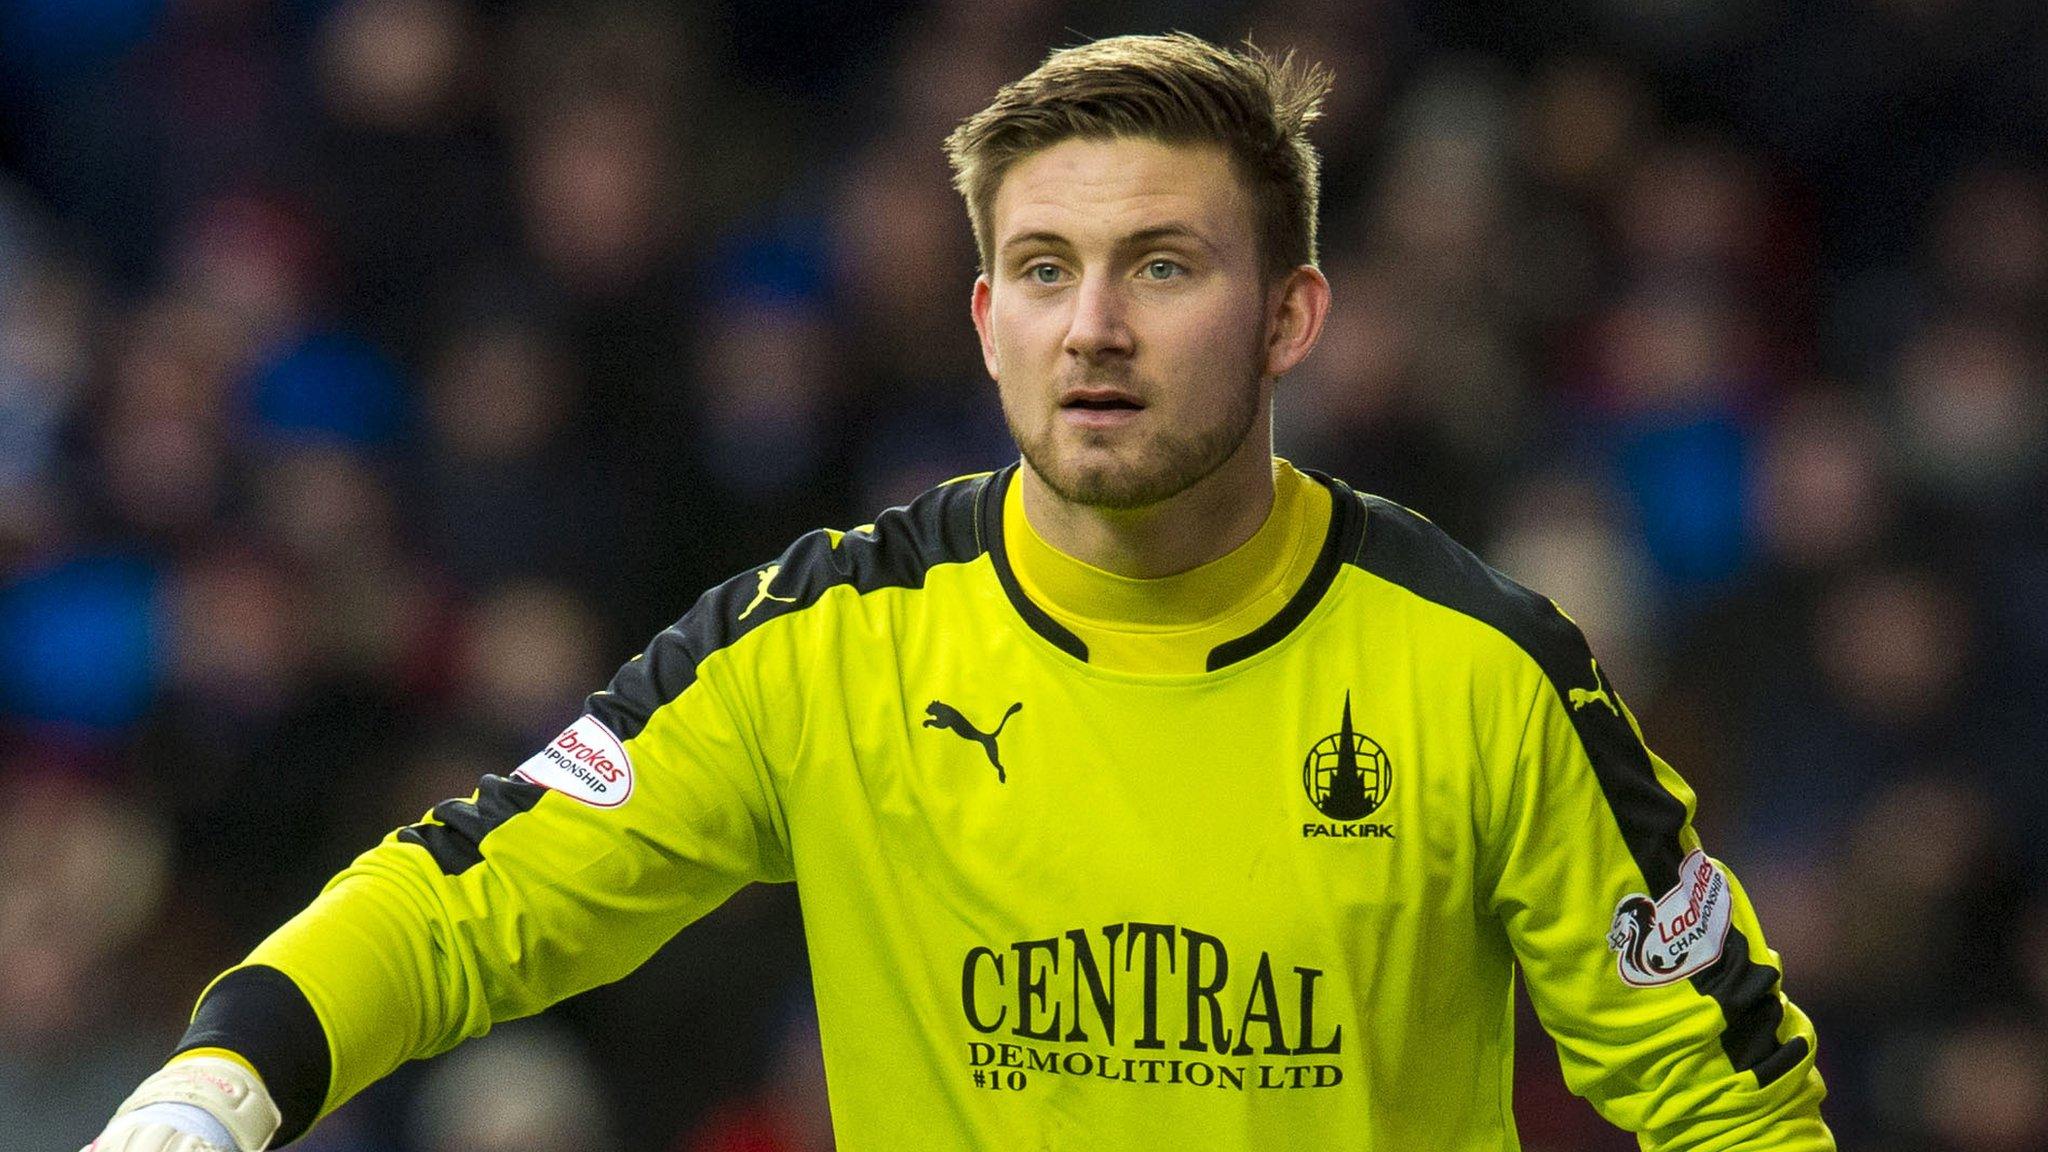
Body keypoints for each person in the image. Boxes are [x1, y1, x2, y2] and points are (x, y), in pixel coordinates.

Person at [87, 33, 1835, 1150]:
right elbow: (476, 896)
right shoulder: (825, 640)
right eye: (1045, 271)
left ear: (1292, 316)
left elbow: (1730, 1095)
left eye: (1165, 266)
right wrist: (224, 1079)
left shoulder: (1487, 671)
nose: (1097, 326)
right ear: (983, 318)